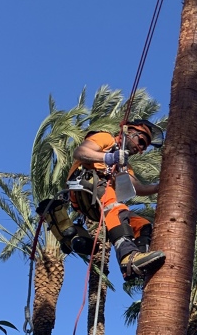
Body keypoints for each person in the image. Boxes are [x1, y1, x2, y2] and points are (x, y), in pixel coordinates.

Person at [66, 119, 166, 280]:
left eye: (144, 147)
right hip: (86, 186)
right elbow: (80, 152)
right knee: (117, 209)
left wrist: (161, 186)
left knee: (143, 225)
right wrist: (109, 157)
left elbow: (137, 188)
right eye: (140, 141)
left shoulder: (124, 165)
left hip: (101, 201)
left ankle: (140, 262)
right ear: (128, 131)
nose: (140, 148)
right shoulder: (106, 139)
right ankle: (128, 256)